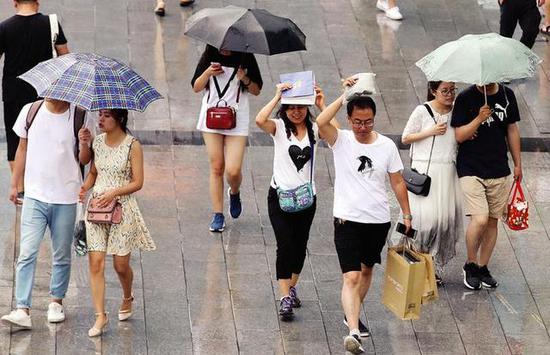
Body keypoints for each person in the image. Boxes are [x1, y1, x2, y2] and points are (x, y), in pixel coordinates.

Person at [317, 78, 412, 354]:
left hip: (377, 219)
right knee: (351, 277)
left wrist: (406, 213)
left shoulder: (386, 146)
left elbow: (397, 182)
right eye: (358, 121)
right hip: (346, 218)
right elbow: (322, 122)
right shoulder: (341, 140)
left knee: (367, 269)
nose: (362, 127)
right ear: (348, 119)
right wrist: (345, 95)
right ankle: (354, 331)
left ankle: (351, 313)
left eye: (368, 121)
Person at [1, 98, 94, 329]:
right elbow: (22, 148)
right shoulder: (30, 111)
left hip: (66, 196)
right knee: (27, 252)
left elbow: (85, 160)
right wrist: (15, 184)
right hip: (35, 195)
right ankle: (22, 307)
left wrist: (84, 143)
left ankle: (56, 301)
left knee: (61, 254)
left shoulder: (81, 116)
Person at [255, 83, 338, 320]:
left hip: (306, 200)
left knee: (299, 247)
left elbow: (338, 136)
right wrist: (276, 96)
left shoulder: (315, 128)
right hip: (279, 197)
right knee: (285, 244)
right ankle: (284, 299)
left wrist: (323, 104)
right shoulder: (279, 128)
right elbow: (260, 120)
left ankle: (291, 287)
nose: (296, 112)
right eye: (290, 107)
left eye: (300, 107)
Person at [79, 109, 155, 337]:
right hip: (96, 209)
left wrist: (114, 193)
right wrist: (85, 186)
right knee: (96, 262)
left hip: (122, 208)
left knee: (120, 265)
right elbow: (92, 170)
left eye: (106, 116)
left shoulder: (133, 145)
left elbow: (138, 182)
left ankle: (127, 296)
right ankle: (100, 315)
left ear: (119, 119)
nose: (100, 120)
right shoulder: (98, 142)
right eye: (100, 115)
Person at [451, 83, 522, 290]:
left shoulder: (507, 95)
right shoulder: (465, 98)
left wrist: (517, 163)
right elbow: (459, 135)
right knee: (480, 219)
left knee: (493, 220)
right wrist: (479, 118)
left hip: (499, 167)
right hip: (470, 167)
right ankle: (471, 264)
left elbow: (512, 129)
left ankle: (483, 267)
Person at [0, 0, 69, 198]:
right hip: (43, 90)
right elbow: (65, 57)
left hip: (14, 91)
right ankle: (42, 182)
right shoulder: (51, 23)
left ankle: (20, 189)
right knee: (42, 136)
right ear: (37, 2)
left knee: (16, 138)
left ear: (14, 3)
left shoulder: (4, 27)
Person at [191, 44, 262, 232]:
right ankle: (218, 214)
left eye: (229, 45)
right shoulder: (209, 56)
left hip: (237, 118)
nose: (225, 49)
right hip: (211, 117)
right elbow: (196, 87)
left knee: (233, 170)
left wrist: (244, 78)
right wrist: (207, 73)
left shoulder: (246, 57)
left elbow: (256, 90)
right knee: (216, 166)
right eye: (221, 45)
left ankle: (235, 192)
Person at [400, 81, 463, 285]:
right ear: (434, 91)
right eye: (444, 91)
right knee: (423, 221)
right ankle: (417, 264)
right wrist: (431, 131)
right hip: (426, 173)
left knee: (441, 222)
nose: (449, 94)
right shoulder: (422, 110)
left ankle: (430, 267)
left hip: (447, 171)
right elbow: (405, 137)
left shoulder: (458, 112)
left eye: (452, 90)